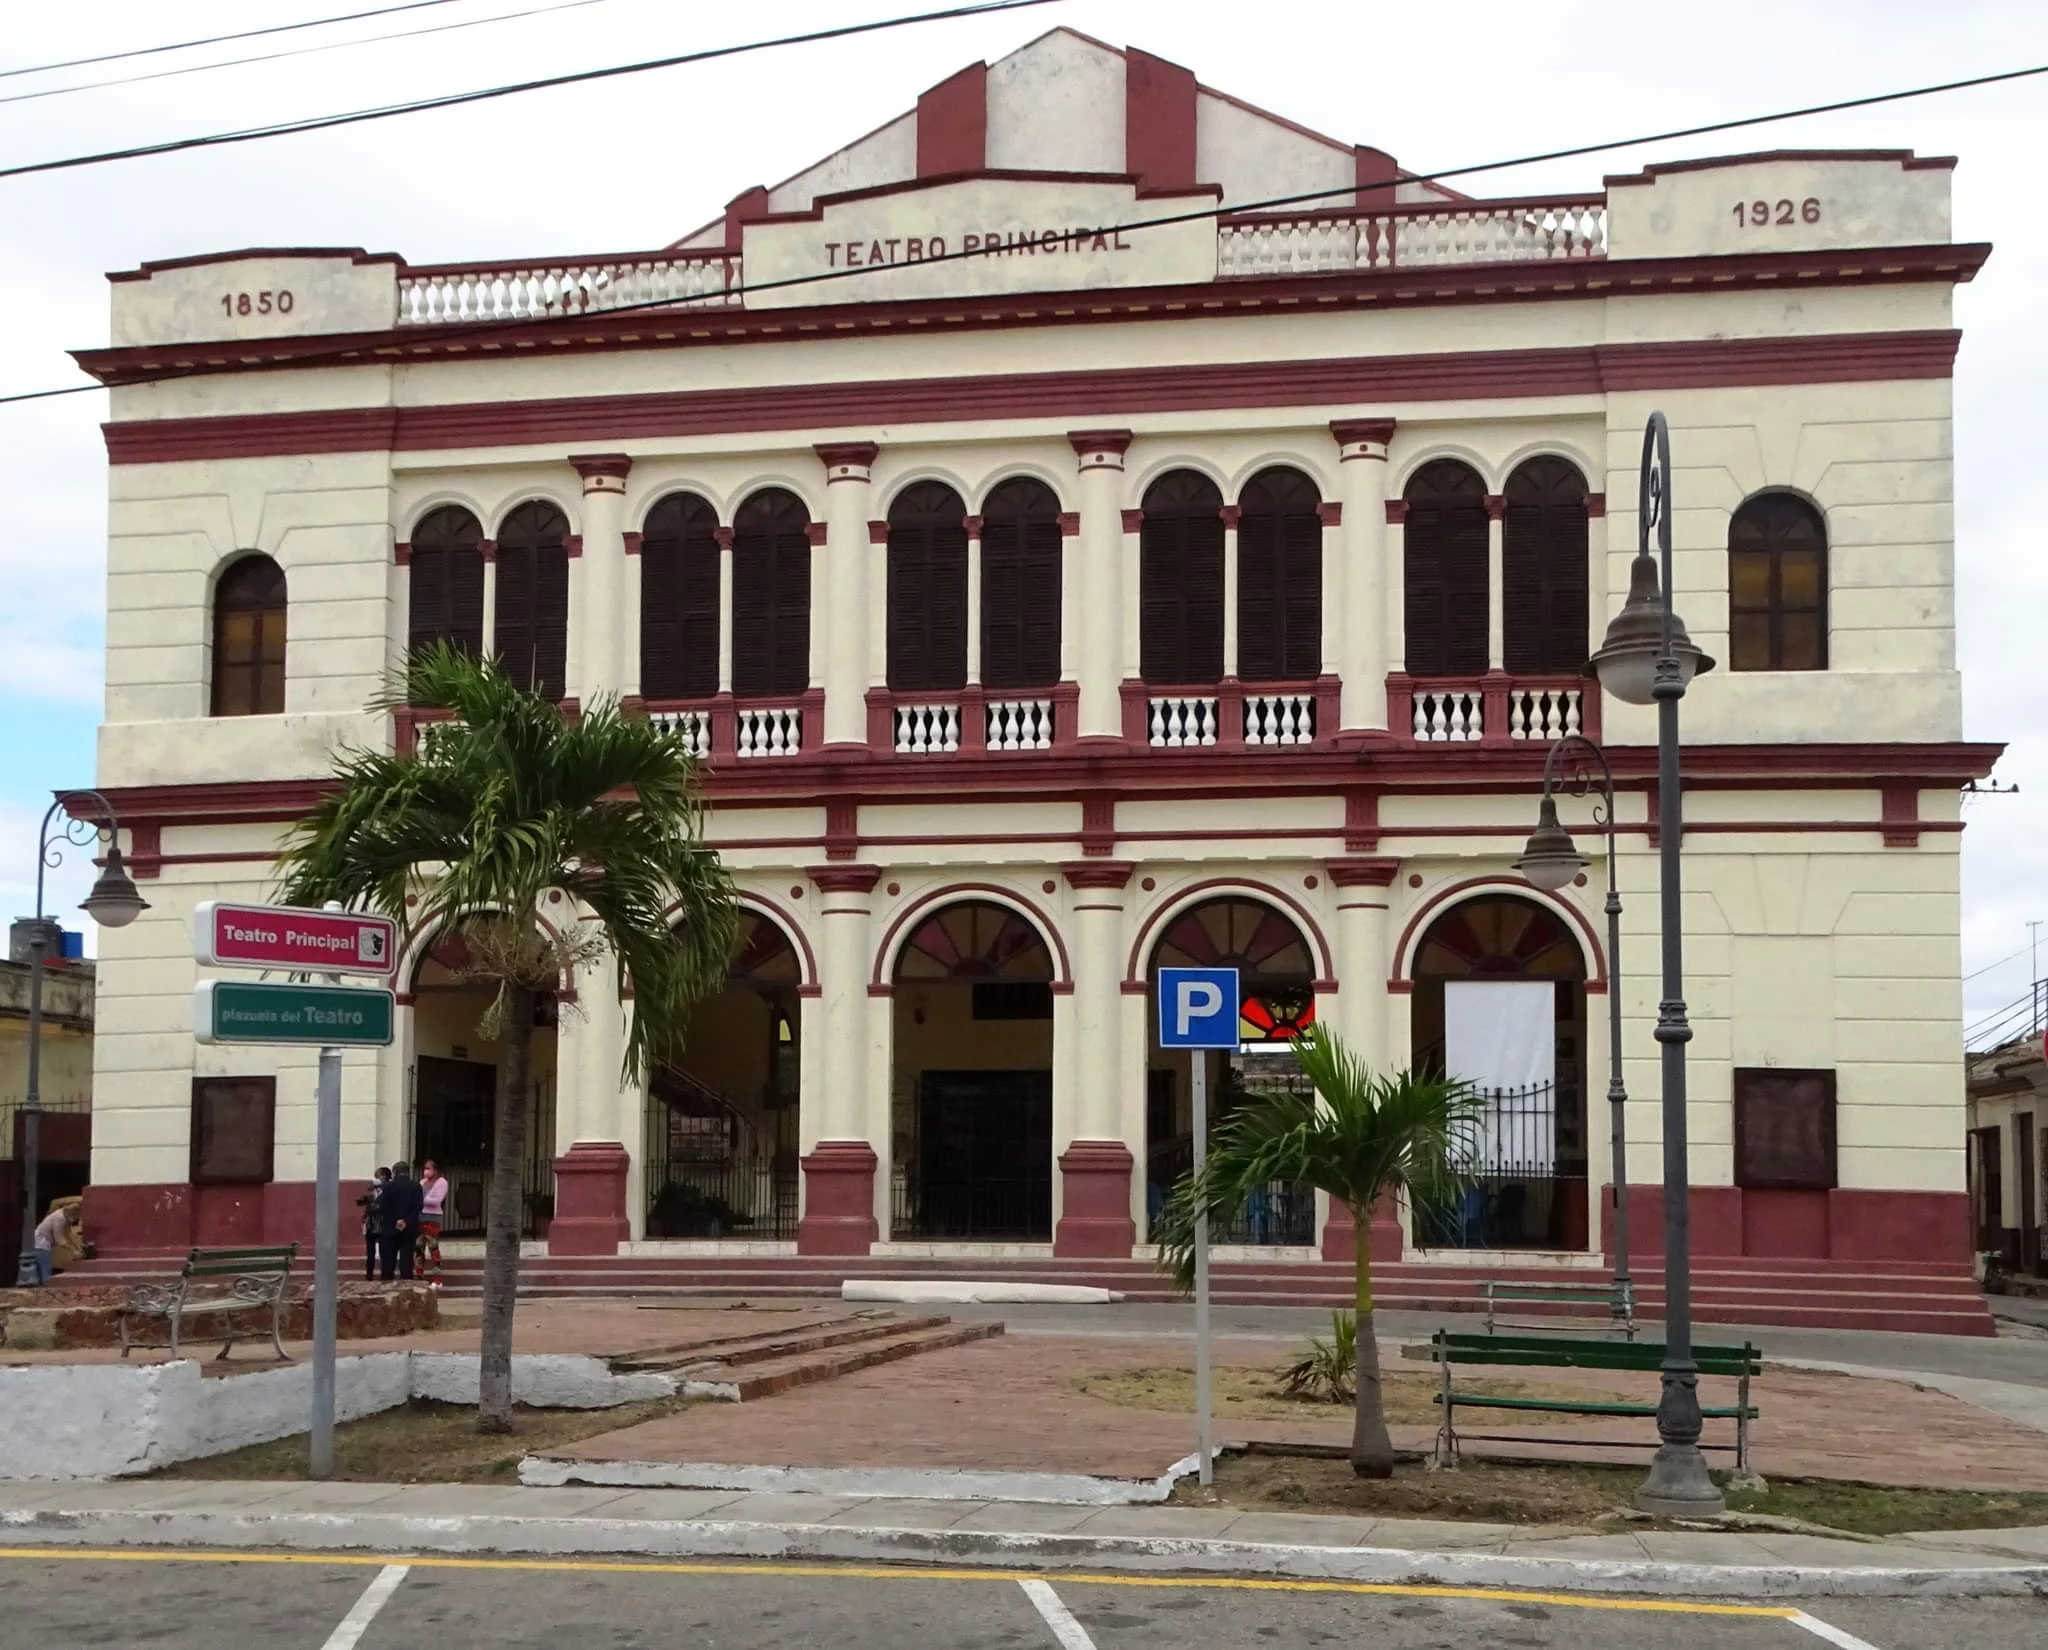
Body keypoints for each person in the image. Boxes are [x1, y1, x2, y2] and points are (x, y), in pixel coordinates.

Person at [378, 1160, 424, 1282]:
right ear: (408, 1172)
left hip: (390, 1228)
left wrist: (396, 1220)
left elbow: (383, 1206)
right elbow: (418, 1206)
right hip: (409, 1229)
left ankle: (386, 1287)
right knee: (407, 1261)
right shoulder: (416, 1186)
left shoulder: (387, 1186)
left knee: (388, 1262)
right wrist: (406, 1221)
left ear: (394, 1172)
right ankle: (406, 1289)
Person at [31, 1199, 80, 1285]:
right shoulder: (59, 1218)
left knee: (42, 1268)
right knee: (45, 1268)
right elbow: (59, 1239)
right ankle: (46, 1287)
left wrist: (77, 1248)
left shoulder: (65, 1217)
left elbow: (68, 1235)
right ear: (72, 1214)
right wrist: (73, 1250)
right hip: (41, 1242)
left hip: (44, 1242)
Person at [416, 1160, 447, 1290]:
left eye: (428, 1168)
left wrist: (423, 1200)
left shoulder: (442, 1183)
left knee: (433, 1248)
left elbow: (437, 1201)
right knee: (419, 1248)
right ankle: (419, 1276)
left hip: (433, 1218)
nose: (426, 1171)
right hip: (420, 1217)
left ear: (435, 1170)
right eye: (425, 1168)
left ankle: (438, 1279)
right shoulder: (422, 1182)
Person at [355, 1167, 390, 1281]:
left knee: (384, 1252)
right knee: (370, 1253)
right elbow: (360, 1202)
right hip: (371, 1224)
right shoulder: (371, 1191)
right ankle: (369, 1276)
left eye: (378, 1177)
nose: (376, 1179)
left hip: (382, 1223)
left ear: (384, 1177)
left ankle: (385, 1276)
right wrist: (368, 1192)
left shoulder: (389, 1189)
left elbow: (383, 1206)